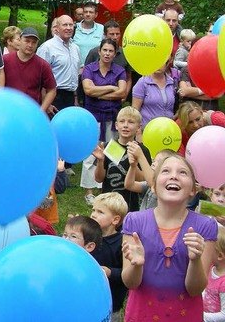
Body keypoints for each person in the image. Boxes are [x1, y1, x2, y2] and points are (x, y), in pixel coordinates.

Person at [122, 153, 217, 321]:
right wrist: (137, 265)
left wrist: (195, 260)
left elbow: (195, 290)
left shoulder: (205, 226)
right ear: (153, 186)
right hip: (142, 315)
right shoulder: (134, 221)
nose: (174, 175)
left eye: (183, 172)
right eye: (166, 171)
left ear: (193, 190)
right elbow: (130, 283)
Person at [81, 38, 127, 205]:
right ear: (99, 51)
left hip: (112, 117)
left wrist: (98, 93)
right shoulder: (89, 69)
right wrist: (111, 88)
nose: (107, 54)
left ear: (115, 54)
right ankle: (89, 190)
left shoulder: (119, 71)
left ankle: (107, 188)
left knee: (112, 152)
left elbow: (122, 93)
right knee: (91, 153)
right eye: (105, 50)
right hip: (92, 117)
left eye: (111, 51)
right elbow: (87, 90)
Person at [93, 106, 152, 212]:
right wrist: (100, 161)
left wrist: (134, 164)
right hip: (109, 203)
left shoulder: (141, 150)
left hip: (131, 204)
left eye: (131, 122)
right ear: (116, 125)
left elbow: (144, 180)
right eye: (122, 121)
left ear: (139, 127)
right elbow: (99, 178)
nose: (125, 125)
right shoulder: (108, 147)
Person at [90, 192, 129, 321]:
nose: (94, 214)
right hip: (89, 299)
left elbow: (127, 275)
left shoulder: (122, 243)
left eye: (100, 212)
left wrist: (110, 272)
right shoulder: (89, 238)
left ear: (115, 220)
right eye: (93, 210)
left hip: (111, 305)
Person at [2, 27, 56, 112]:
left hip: (30, 112)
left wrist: (41, 110)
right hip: (7, 110)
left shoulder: (43, 65)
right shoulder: (4, 60)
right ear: (19, 40)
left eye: (34, 42)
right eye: (27, 41)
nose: (30, 45)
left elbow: (52, 90)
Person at [37, 15, 81, 115]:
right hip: (53, 97)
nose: (69, 28)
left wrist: (75, 98)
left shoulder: (75, 48)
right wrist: (46, 103)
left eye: (71, 25)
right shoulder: (47, 48)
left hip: (70, 97)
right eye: (65, 25)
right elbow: (40, 78)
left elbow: (75, 76)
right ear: (56, 28)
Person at [84, 20, 133, 100]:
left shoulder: (126, 54)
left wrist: (124, 97)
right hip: (94, 102)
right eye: (111, 34)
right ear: (105, 35)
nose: (115, 37)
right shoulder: (94, 53)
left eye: (117, 34)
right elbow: (86, 79)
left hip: (116, 102)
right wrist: (111, 88)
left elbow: (128, 78)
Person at [131, 62, 177, 129]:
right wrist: (137, 131)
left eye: (161, 62)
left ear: (166, 64)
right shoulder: (142, 83)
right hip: (147, 129)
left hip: (167, 129)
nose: (157, 65)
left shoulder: (172, 82)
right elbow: (135, 111)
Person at [203, 227, 225, 320]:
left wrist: (201, 316)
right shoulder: (211, 267)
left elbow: (224, 315)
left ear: (219, 256)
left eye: (208, 248)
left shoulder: (223, 283)